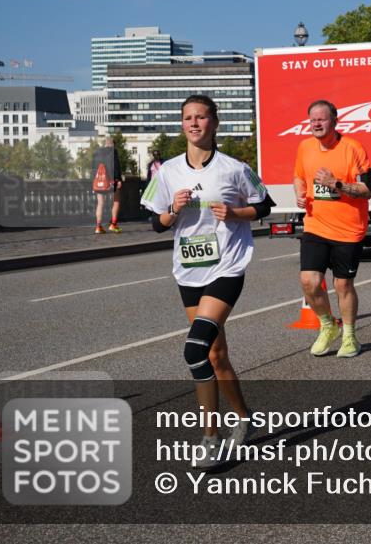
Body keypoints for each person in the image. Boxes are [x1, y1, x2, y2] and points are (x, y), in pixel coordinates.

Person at [141, 94, 274, 466]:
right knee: (216, 355)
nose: (194, 123)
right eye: (187, 118)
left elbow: (265, 205)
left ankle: (210, 438)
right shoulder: (166, 171)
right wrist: (172, 211)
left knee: (195, 350)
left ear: (214, 123)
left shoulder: (233, 168)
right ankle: (246, 419)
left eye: (201, 117)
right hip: (189, 270)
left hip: (227, 267)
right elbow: (155, 223)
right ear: (181, 124)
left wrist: (235, 212)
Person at [293, 100, 371, 358]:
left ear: (335, 120)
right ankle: (329, 326)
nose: (316, 124)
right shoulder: (305, 147)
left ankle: (350, 336)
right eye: (312, 119)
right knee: (309, 281)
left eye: (322, 119)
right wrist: (299, 192)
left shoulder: (353, 148)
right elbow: (297, 175)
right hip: (316, 225)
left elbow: (367, 190)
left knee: (342, 285)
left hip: (349, 230)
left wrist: (336, 183)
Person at [91, 136, 123, 234]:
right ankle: (113, 224)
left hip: (99, 181)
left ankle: (98, 227)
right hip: (112, 180)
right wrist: (118, 180)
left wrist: (94, 181)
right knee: (116, 201)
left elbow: (93, 169)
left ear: (105, 143)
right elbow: (116, 166)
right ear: (113, 144)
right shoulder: (113, 152)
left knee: (100, 203)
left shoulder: (97, 152)